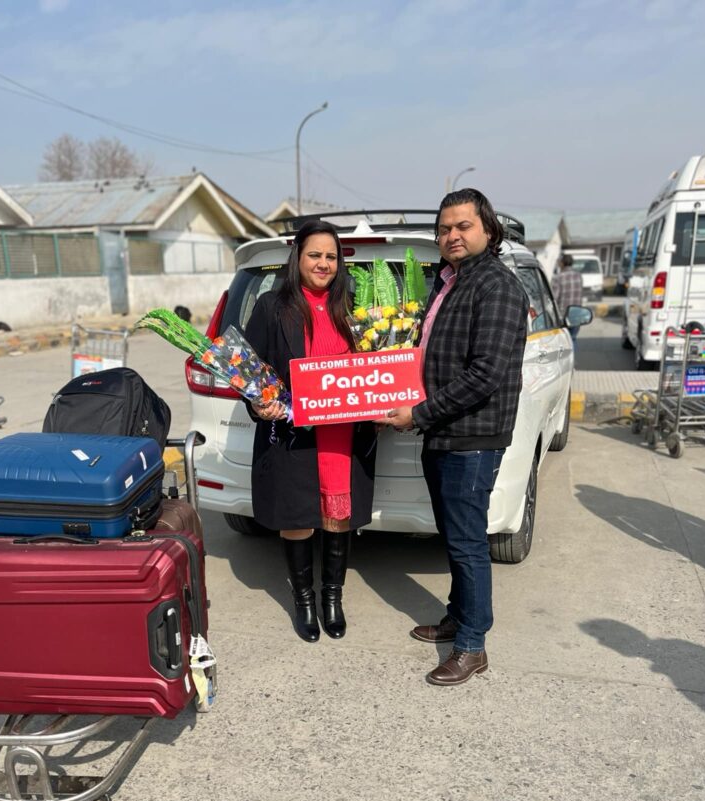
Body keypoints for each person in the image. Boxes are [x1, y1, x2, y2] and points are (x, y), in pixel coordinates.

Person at [381, 188, 528, 686]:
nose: (451, 236)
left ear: (488, 229)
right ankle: (457, 617)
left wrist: (419, 412)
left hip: (472, 435)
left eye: (462, 226)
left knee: (467, 542)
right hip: (444, 431)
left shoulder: (497, 287)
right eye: (444, 229)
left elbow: (485, 374)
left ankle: (472, 645)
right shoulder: (453, 282)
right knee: (452, 534)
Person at [244, 219, 377, 643]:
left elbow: (378, 365)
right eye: (314, 255)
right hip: (293, 435)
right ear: (297, 258)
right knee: (298, 517)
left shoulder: (355, 307)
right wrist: (257, 402)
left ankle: (332, 598)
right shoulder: (271, 306)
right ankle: (304, 601)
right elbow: (249, 368)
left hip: (344, 433)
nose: (323, 264)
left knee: (339, 517)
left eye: (331, 257)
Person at [552, 253, 584, 346]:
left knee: (562, 344)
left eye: (559, 262)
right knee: (572, 340)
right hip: (577, 314)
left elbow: (554, 298)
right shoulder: (579, 276)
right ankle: (571, 359)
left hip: (563, 315)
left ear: (562, 263)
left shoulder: (558, 277)